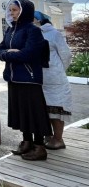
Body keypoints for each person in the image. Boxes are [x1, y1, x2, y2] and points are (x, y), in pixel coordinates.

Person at [0, 0, 52, 161]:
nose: (12, 13)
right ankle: (27, 141)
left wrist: (10, 54)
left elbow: (29, 54)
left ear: (24, 11)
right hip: (14, 77)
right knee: (22, 112)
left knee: (34, 112)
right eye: (11, 10)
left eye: (15, 10)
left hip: (29, 78)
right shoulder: (10, 30)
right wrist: (9, 52)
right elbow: (0, 50)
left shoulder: (32, 30)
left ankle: (40, 147)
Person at [34, 10, 72, 150]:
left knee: (56, 109)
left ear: (39, 20)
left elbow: (66, 55)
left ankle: (58, 139)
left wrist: (58, 70)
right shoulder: (33, 34)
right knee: (45, 109)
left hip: (55, 78)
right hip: (40, 78)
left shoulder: (53, 33)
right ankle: (48, 136)